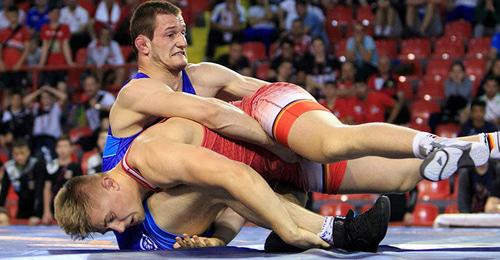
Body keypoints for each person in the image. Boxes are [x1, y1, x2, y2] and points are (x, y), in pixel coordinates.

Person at [55, 81, 498, 251]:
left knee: (333, 142)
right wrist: (218, 238)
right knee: (403, 176)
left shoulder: (148, 157)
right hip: (279, 165)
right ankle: (484, 144)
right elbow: (230, 197)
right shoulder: (146, 187)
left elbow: (235, 175)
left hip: (272, 123)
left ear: (108, 186)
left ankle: (432, 142)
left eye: (109, 220)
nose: (118, 228)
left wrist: (294, 229)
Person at [0, 139, 46, 225]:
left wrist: (38, 214)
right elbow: (3, 192)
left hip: (37, 208)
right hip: (22, 208)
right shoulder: (9, 168)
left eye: (22, 153)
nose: (19, 157)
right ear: (12, 154)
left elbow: (39, 191)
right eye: (16, 154)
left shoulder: (37, 165)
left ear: (28, 152)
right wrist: (1, 210)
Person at [42, 136, 82, 224]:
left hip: (70, 207)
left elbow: (79, 190)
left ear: (71, 148)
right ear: (56, 149)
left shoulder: (75, 167)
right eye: (59, 146)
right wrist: (46, 211)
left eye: (65, 146)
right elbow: (47, 189)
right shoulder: (50, 166)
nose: (62, 149)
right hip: (54, 206)